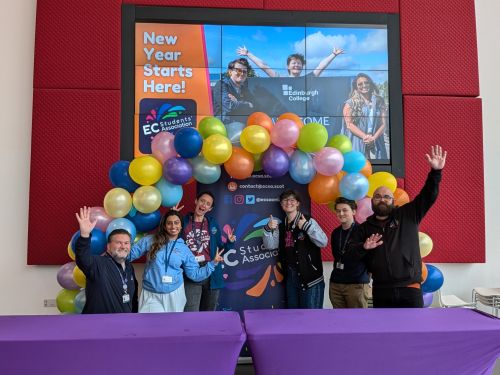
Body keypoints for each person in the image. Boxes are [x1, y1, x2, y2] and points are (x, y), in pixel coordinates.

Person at [348, 145, 447, 308]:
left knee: (414, 332)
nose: (382, 199)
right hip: (381, 290)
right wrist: (364, 247)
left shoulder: (409, 214)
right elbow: (350, 255)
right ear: (372, 201)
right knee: (385, 333)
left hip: (410, 289)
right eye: (378, 196)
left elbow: (428, 195)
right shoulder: (364, 228)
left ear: (393, 201)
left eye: (387, 197)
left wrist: (436, 173)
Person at [129, 210, 224, 313]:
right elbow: (130, 254)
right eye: (169, 223)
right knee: (150, 326)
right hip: (151, 293)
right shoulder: (150, 240)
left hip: (175, 294)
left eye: (176, 222)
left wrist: (212, 263)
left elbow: (194, 274)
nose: (173, 226)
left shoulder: (184, 249)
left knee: (172, 327)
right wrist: (118, 248)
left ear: (181, 226)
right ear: (164, 226)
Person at [262, 189, 328, 309]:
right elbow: (270, 245)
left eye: (292, 200)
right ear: (281, 205)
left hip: (310, 279)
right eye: (285, 200)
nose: (288, 203)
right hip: (291, 278)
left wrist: (307, 227)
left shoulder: (308, 221)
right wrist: (267, 229)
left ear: (298, 203)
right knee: (293, 318)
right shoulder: (281, 226)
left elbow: (323, 242)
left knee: (311, 319)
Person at [74, 206, 138, 314]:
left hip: (124, 324)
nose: (123, 246)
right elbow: (82, 257)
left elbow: (133, 298)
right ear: (108, 246)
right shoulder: (96, 263)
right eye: (118, 242)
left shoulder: (129, 267)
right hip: (98, 325)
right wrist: (85, 235)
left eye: (126, 243)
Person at [181, 191, 236, 312]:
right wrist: (172, 214)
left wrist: (230, 242)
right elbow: (172, 240)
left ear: (210, 208)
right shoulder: (183, 221)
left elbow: (220, 250)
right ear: (196, 201)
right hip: (191, 271)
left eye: (208, 204)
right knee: (191, 312)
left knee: (209, 313)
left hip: (212, 271)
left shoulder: (212, 223)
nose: (204, 205)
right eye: (202, 201)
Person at [329, 197, 370, 308]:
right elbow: (336, 255)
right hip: (336, 284)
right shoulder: (335, 233)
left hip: (356, 284)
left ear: (353, 211)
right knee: (339, 321)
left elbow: (370, 258)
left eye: (344, 210)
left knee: (357, 322)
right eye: (338, 211)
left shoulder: (363, 231)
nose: (341, 213)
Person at [341, 73, 388, 160]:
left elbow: (384, 124)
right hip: (357, 140)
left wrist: (373, 138)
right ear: (356, 87)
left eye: (366, 82)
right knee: (358, 166)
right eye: (360, 84)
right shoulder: (350, 103)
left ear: (370, 83)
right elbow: (349, 125)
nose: (364, 85)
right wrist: (365, 137)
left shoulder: (379, 101)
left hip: (376, 140)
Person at [236, 46, 344, 77]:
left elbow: (321, 66)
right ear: (288, 66)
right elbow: (264, 66)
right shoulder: (279, 78)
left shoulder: (307, 79)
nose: (296, 65)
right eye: (294, 63)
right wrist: (248, 54)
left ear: (302, 66)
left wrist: (333, 54)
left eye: (299, 63)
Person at [212, 57, 255, 123]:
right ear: (230, 72)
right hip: (223, 125)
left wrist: (236, 102)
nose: (242, 74)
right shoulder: (221, 84)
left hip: (241, 124)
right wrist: (247, 104)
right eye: (239, 70)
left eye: (244, 72)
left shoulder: (244, 89)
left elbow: (254, 106)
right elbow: (229, 106)